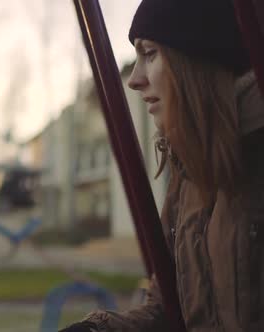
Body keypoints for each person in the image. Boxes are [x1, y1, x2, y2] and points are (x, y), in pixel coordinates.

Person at [60, 0, 264, 331]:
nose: (134, 79)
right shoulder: (190, 176)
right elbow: (169, 309)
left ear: (198, 57)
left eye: (150, 53)